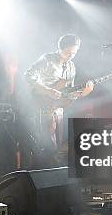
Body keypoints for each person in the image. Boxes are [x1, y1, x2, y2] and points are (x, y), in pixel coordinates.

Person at [24, 34, 94, 167]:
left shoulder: (72, 67)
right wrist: (47, 90)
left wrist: (83, 94)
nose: (71, 56)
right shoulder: (47, 60)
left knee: (58, 146)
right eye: (68, 52)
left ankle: (53, 174)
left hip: (59, 109)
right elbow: (28, 75)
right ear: (60, 48)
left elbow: (68, 94)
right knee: (47, 145)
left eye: (74, 53)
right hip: (43, 106)